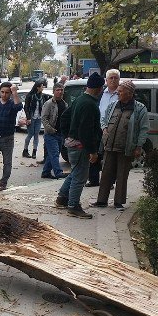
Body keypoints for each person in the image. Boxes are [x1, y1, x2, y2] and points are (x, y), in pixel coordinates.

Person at [91, 80, 149, 209]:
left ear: (129, 94)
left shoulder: (139, 108)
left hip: (126, 147)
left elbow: (144, 129)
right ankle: (101, 200)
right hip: (110, 145)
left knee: (122, 175)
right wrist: (104, 128)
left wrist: (139, 146)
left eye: (121, 91)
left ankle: (118, 202)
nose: (118, 93)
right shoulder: (113, 105)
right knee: (106, 173)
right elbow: (104, 118)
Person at [55, 72, 104, 219]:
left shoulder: (79, 99)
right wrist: (93, 151)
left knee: (75, 172)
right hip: (81, 146)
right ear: (98, 88)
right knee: (80, 176)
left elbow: (65, 117)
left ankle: (62, 198)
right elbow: (86, 131)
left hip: (73, 143)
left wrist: (67, 135)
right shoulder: (90, 104)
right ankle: (73, 205)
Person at [87, 68, 119, 187]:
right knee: (95, 153)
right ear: (106, 80)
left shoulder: (121, 94)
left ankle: (109, 181)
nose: (113, 80)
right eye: (111, 78)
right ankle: (93, 179)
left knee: (110, 157)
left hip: (113, 130)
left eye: (116, 78)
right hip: (98, 128)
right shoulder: (100, 94)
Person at [40, 83, 68, 179]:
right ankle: (58, 172)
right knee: (55, 153)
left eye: (61, 90)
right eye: (58, 90)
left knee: (52, 154)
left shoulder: (64, 104)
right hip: (51, 134)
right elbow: (44, 118)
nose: (60, 92)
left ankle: (46, 172)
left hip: (60, 134)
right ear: (54, 91)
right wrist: (50, 130)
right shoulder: (49, 104)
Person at [22, 78, 47, 158]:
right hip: (31, 118)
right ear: (37, 87)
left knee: (36, 134)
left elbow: (44, 107)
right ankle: (25, 150)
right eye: (42, 86)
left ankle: (34, 152)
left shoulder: (42, 96)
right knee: (30, 134)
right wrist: (28, 117)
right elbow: (26, 107)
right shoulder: (30, 96)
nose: (43, 88)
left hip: (38, 118)